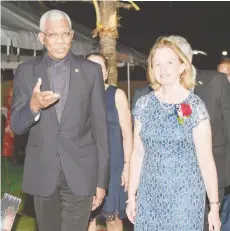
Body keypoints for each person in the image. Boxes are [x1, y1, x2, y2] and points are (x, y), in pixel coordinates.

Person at [10, 10, 109, 231]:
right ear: (42, 37)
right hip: (43, 171)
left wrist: (102, 181)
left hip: (81, 172)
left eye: (65, 34)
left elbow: (100, 130)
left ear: (72, 35)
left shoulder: (90, 71)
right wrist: (33, 106)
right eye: (53, 35)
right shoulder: (26, 71)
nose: (61, 41)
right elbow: (16, 126)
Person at [126, 37, 221, 231]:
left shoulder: (194, 107)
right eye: (157, 64)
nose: (163, 69)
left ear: (181, 67)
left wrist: (214, 206)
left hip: (184, 197)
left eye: (170, 62)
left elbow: (206, 160)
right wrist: (131, 197)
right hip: (150, 195)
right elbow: (137, 154)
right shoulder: (144, 105)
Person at [165, 35, 230, 231]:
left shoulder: (215, 82)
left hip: (212, 174)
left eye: (171, 59)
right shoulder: (165, 90)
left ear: (186, 59)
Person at [86, 53, 132, 231]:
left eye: (100, 68)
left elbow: (128, 133)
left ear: (106, 73)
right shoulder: (77, 97)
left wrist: (127, 167)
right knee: (88, 217)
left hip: (114, 166)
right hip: (86, 166)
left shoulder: (116, 95)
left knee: (112, 218)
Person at [2, 87, 15, 160]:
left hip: (13, 123)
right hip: (9, 122)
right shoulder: (11, 90)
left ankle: (11, 154)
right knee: (7, 137)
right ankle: (6, 153)